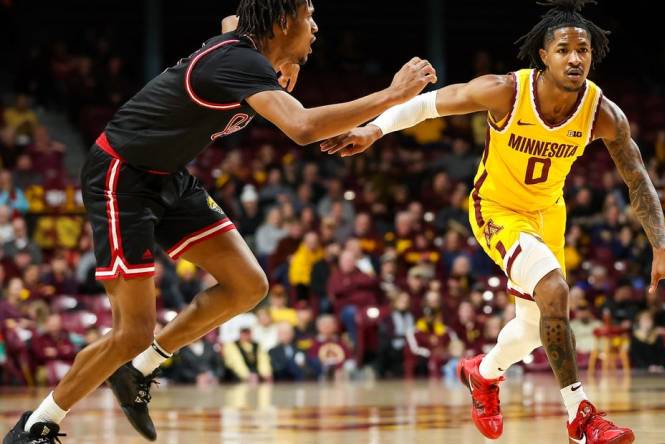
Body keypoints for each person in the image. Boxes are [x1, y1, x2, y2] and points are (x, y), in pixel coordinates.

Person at [3, 0, 437, 442]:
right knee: (132, 331)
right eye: (308, 16)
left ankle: (138, 372)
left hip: (166, 175)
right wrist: (393, 95)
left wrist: (283, 57)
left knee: (249, 285)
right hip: (121, 175)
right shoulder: (238, 62)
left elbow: (231, 20)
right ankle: (37, 424)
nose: (316, 26)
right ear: (283, 21)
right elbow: (303, 128)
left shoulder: (247, 46)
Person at [321, 1, 665, 441]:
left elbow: (639, 180)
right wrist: (372, 130)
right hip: (496, 209)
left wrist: (661, 246)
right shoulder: (506, 91)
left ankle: (483, 372)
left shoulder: (602, 113)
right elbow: (428, 106)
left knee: (535, 329)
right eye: (564, 49)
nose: (575, 58)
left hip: (548, 214)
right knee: (555, 290)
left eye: (584, 50)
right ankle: (581, 417)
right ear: (543, 54)